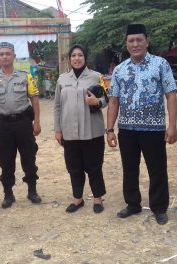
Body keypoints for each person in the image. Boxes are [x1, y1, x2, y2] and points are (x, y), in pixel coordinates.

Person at [106, 24, 177, 225]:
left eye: (139, 40)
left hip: (154, 129)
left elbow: (171, 96)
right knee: (129, 169)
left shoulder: (160, 64)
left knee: (157, 169)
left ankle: (159, 208)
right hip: (127, 130)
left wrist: (172, 126)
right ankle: (133, 204)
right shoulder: (120, 70)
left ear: (147, 41)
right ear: (126, 44)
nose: (135, 44)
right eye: (131, 41)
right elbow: (113, 100)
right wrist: (110, 129)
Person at [0, 42, 42, 209]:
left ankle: (32, 191)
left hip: (24, 123)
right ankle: (8, 194)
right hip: (5, 125)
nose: (4, 56)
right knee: (6, 161)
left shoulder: (25, 76)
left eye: (8, 53)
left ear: (14, 56)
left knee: (29, 158)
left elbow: (34, 99)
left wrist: (37, 121)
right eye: (1, 54)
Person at [54, 44, 108, 214]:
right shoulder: (62, 79)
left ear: (85, 58)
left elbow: (107, 98)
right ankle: (77, 199)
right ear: (69, 59)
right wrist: (58, 129)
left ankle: (97, 198)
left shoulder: (96, 77)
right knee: (74, 167)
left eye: (80, 55)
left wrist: (98, 102)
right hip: (69, 132)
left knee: (94, 166)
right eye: (73, 56)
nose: (76, 58)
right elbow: (57, 106)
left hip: (92, 131)